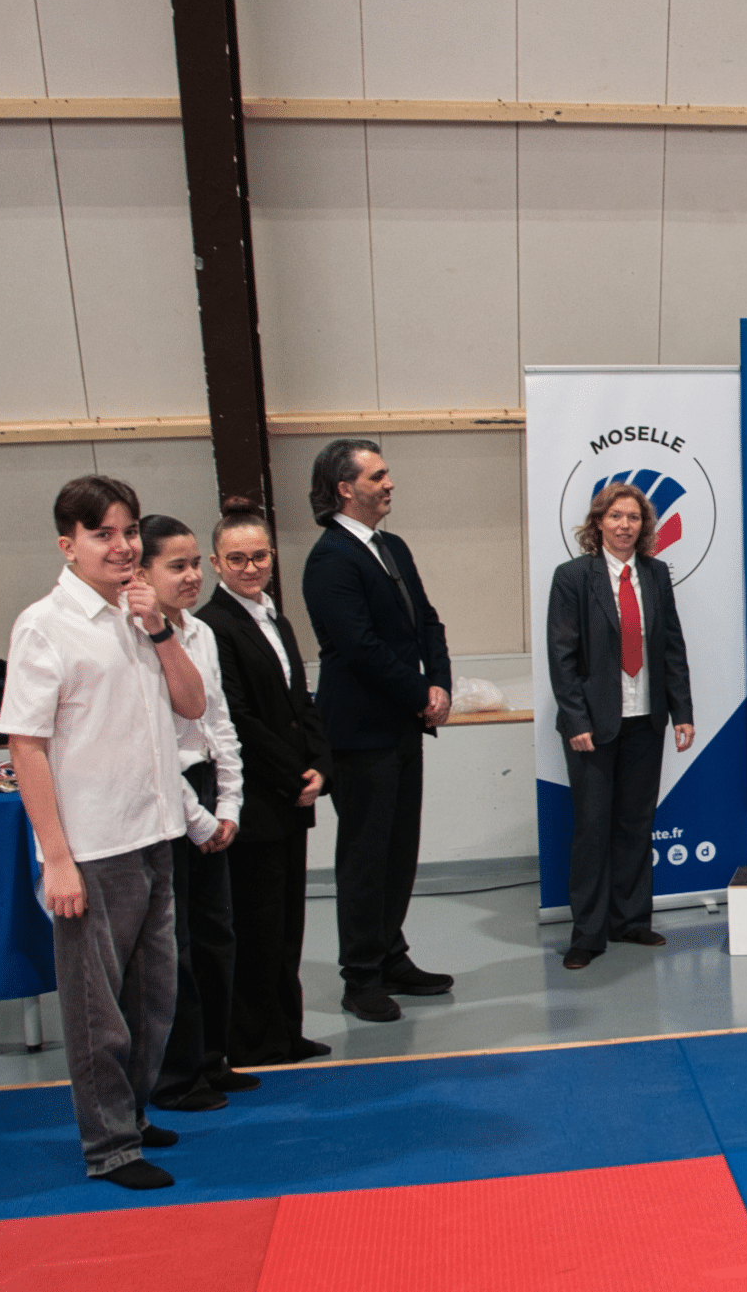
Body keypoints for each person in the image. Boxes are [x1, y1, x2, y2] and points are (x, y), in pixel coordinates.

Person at [0, 475, 207, 1189]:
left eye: (129, 531)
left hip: (154, 830)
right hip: (91, 846)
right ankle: (110, 1145)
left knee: (154, 998)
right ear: (69, 545)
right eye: (103, 534)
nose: (122, 546)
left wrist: (159, 629)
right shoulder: (45, 624)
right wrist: (55, 858)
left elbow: (192, 704)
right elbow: (26, 746)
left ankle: (133, 1112)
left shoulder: (140, 613)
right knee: (97, 1010)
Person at [300, 439, 454, 1021]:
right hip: (361, 732)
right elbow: (359, 647)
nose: (390, 483)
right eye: (377, 476)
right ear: (345, 488)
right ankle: (361, 976)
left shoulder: (391, 546)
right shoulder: (330, 559)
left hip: (402, 727)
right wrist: (420, 694)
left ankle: (391, 955)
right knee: (366, 858)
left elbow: (427, 621)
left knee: (398, 852)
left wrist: (440, 684)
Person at [197, 498, 333, 1066]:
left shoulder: (275, 617)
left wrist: (321, 765)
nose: (250, 567)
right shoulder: (214, 626)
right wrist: (292, 774)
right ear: (215, 563)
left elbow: (300, 700)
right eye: (237, 559)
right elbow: (238, 719)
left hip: (291, 796)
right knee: (255, 925)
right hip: (255, 798)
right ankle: (252, 1040)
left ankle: (285, 1031)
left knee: (286, 923)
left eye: (259, 556)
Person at [545, 482, 695, 970]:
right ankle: (588, 935)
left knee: (635, 824)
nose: (625, 525)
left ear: (643, 526)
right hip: (592, 725)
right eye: (615, 517)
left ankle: (629, 920)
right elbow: (562, 656)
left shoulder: (655, 574)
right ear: (598, 523)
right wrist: (575, 719)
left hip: (645, 719)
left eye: (633, 517)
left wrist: (682, 712)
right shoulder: (572, 577)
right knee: (592, 828)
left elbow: (671, 646)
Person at [138, 515, 256, 1113]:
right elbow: (152, 742)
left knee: (217, 935)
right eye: (176, 566)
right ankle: (175, 1075)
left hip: (207, 787)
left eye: (193, 565)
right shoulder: (137, 638)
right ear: (142, 573)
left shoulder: (201, 632)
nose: (190, 576)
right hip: (168, 796)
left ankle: (213, 1058)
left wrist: (229, 802)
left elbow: (218, 723)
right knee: (175, 943)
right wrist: (198, 818)